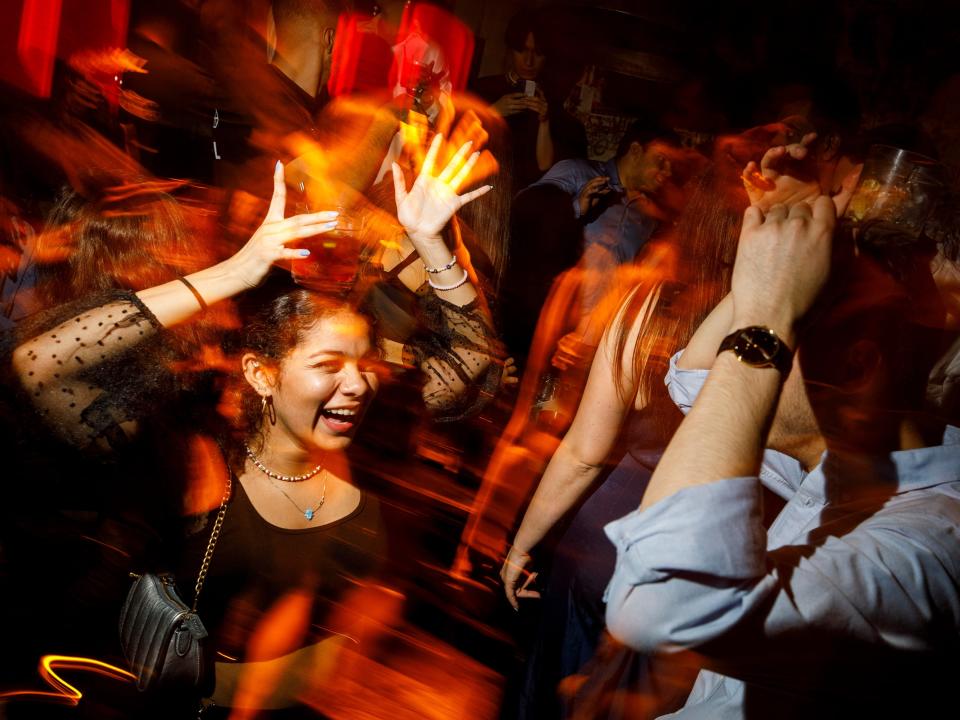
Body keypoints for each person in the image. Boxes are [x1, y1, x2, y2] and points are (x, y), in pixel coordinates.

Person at [8, 136, 490, 715]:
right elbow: (41, 360)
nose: (200, 258)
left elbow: (466, 370)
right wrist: (233, 272)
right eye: (180, 255)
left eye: (197, 248)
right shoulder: (128, 412)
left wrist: (434, 248)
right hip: (71, 671)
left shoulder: (249, 376)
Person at [603, 167, 959, 715]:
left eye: (777, 345)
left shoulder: (929, 545)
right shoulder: (841, 464)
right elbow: (691, 381)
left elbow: (659, 607)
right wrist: (782, 252)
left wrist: (768, 317)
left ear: (856, 368)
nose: (735, 361)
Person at [499, 120, 682, 365]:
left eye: (672, 165)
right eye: (661, 160)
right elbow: (524, 212)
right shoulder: (578, 173)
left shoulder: (649, 214)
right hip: (546, 319)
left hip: (592, 335)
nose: (668, 172)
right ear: (636, 150)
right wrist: (576, 207)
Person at [472, 9, 586, 195]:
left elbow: (545, 167)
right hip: (479, 190)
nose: (529, 61)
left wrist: (545, 122)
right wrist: (491, 113)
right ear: (510, 50)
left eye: (538, 53)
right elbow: (457, 143)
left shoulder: (553, 108)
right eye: (521, 50)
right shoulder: (483, 88)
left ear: (547, 57)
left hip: (521, 200)